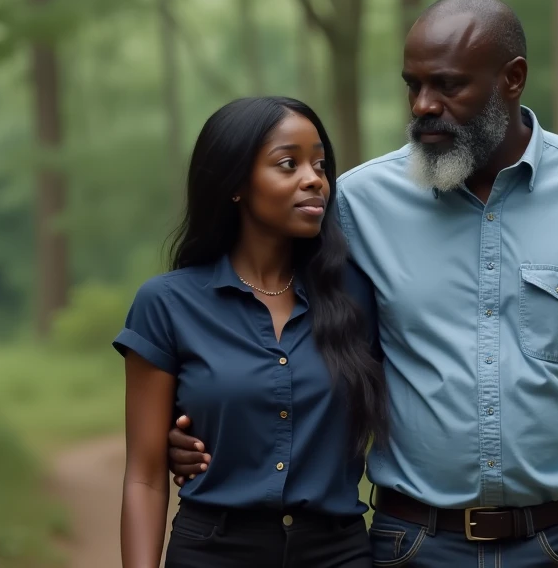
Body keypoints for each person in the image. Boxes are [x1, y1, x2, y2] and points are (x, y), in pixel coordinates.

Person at [166, 0, 558, 568]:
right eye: (412, 85)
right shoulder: (356, 204)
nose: (422, 105)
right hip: (410, 546)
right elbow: (267, 319)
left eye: (448, 86)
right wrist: (197, 419)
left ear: (512, 80)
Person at [113, 96, 389, 568]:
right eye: (289, 164)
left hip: (337, 553)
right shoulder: (167, 304)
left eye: (320, 165)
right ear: (237, 183)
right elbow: (144, 474)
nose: (314, 179)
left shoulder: (358, 296)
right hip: (212, 551)